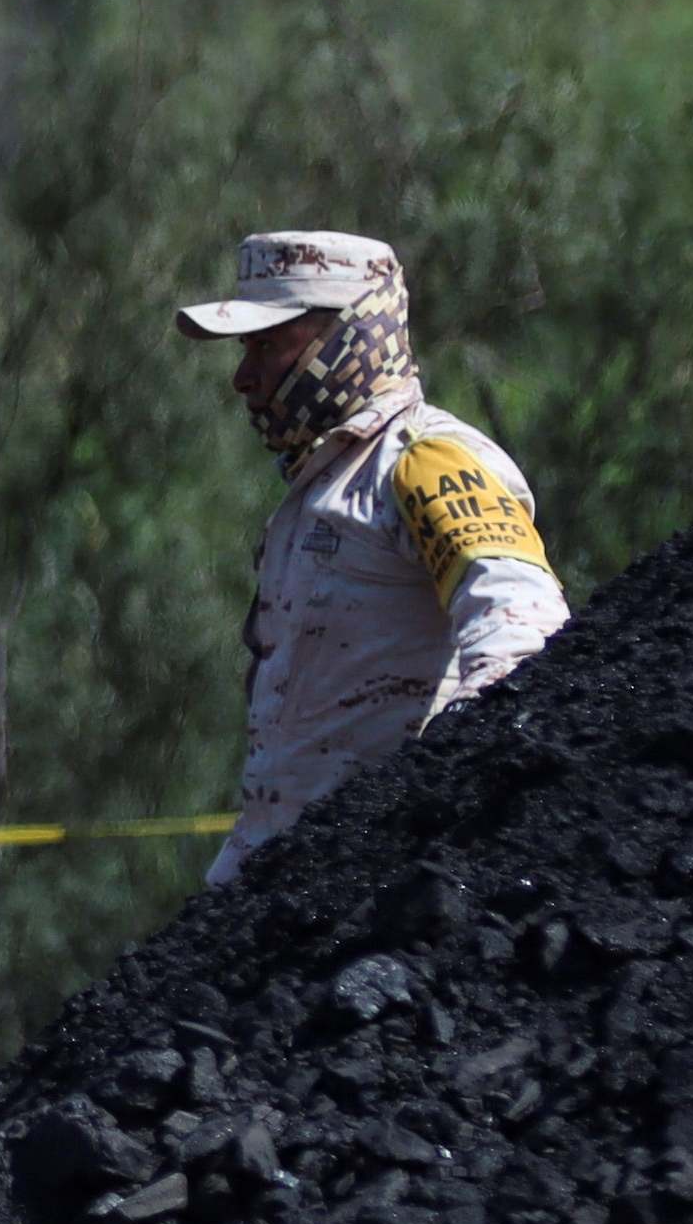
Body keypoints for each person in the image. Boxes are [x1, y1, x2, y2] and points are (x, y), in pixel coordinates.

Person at [174, 231, 566, 878]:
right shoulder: (318, 489)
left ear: (345, 338)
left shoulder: (423, 461)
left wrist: (442, 801)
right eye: (245, 349)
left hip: (375, 884)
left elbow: (526, 632)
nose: (243, 377)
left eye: (267, 345)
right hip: (278, 884)